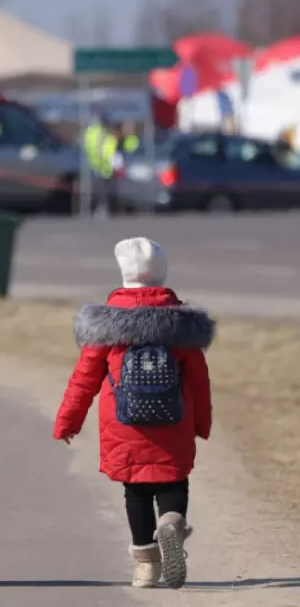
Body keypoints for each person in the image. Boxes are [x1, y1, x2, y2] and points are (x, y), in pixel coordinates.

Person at [53, 238, 214, 590]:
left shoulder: (107, 327)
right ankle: (171, 523)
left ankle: (145, 567)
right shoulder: (180, 326)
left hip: (124, 424)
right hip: (174, 421)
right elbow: (199, 381)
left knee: (136, 491)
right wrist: (201, 423)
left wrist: (68, 420)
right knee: (172, 480)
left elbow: (84, 380)